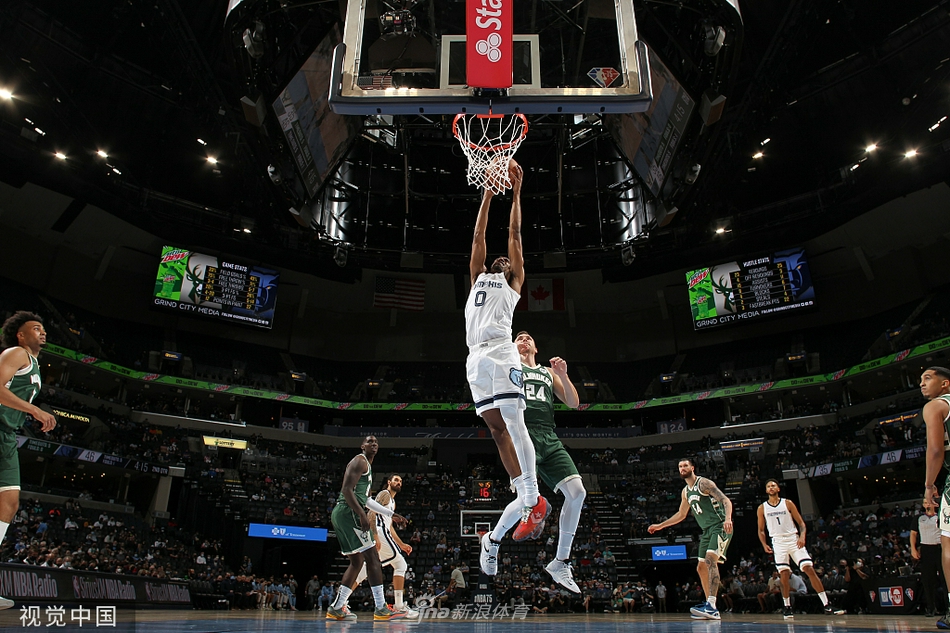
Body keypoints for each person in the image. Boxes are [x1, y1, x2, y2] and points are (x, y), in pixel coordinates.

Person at [466, 160, 547, 553]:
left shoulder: (513, 281)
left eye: (506, 259)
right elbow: (478, 234)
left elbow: (514, 232)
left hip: (501, 350)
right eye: (496, 258)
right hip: (474, 359)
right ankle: (521, 488)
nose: (501, 257)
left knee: (515, 422)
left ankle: (532, 497)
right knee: (496, 429)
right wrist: (486, 193)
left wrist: (515, 192)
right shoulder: (478, 276)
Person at [480, 330, 584, 593]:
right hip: (521, 434)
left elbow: (573, 403)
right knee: (526, 497)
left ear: (536, 348)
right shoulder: (508, 367)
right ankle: (493, 540)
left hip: (548, 436)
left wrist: (563, 374)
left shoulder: (547, 373)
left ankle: (560, 562)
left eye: (528, 338)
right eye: (518, 338)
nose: (524, 340)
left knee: (577, 493)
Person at [0, 312, 56, 611]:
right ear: (20, 335)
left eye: (43, 328)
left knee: (9, 504)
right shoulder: (16, 353)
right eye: (36, 328)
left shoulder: (34, 363)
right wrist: (34, 410)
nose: (42, 332)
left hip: (6, 435)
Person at [326, 436, 404, 621]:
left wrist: (390, 514)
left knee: (357, 562)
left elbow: (367, 500)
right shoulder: (359, 461)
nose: (374, 444)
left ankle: (336, 607)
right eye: (369, 441)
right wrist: (362, 515)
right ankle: (381, 608)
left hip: (343, 513)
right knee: (373, 558)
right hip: (349, 512)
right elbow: (346, 490)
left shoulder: (367, 467)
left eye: (376, 442)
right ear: (362, 446)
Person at [648, 458, 733, 620]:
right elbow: (681, 514)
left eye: (685, 465)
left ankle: (712, 605)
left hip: (719, 525)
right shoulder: (685, 491)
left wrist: (728, 519)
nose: (683, 468)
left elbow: (725, 500)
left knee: (710, 560)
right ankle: (710, 605)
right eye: (680, 466)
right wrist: (660, 526)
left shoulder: (704, 483)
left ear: (692, 468)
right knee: (701, 567)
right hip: (706, 531)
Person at [756, 478, 844, 618]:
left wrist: (802, 537)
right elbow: (761, 530)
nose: (771, 487)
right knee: (784, 574)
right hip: (777, 542)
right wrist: (764, 544)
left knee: (809, 569)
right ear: (766, 490)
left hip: (793, 539)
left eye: (773, 485)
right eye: (768, 486)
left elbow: (802, 524)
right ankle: (787, 606)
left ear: (778, 488)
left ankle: (826, 604)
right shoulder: (762, 508)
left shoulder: (787, 503)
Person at [344, 474, 419, 618]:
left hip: (384, 533)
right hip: (379, 533)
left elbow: (390, 527)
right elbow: (371, 514)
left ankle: (341, 602)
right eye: (396, 480)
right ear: (389, 482)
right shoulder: (384, 494)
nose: (399, 482)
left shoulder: (393, 502)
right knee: (400, 564)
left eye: (401, 481)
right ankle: (399, 607)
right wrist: (375, 536)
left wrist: (401, 544)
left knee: (365, 571)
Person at [921, 366, 950, 628]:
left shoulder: (935, 406)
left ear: (945, 384)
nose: (922, 383)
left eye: (927, 378)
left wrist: (929, 485)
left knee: (949, 547)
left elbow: (936, 450)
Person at [911, 500, 943, 617]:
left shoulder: (940, 516)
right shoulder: (919, 518)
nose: (927, 504)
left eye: (929, 501)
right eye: (925, 502)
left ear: (935, 504)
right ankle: (931, 607)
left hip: (939, 548)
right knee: (928, 581)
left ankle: (947, 607)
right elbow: (913, 534)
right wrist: (913, 549)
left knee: (945, 579)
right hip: (926, 549)